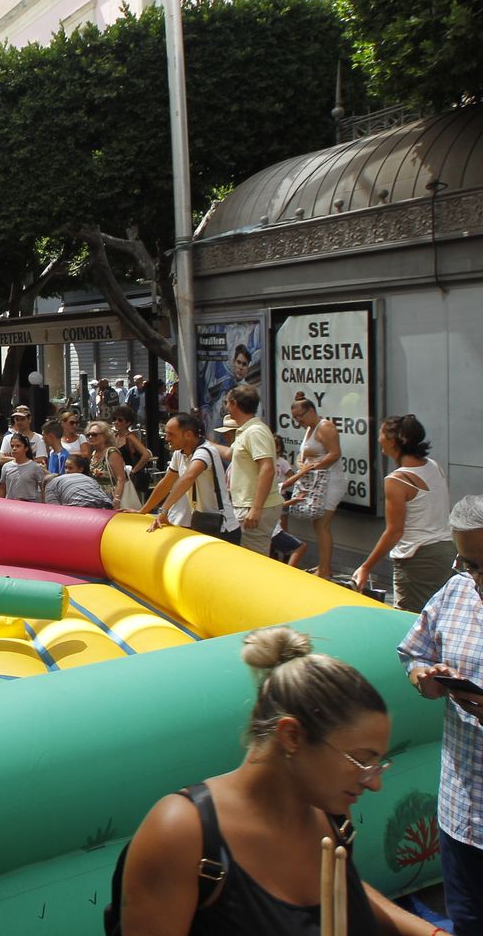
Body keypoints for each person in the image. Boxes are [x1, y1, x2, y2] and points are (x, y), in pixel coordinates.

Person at [115, 626, 427, 934]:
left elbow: (344, 888)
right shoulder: (181, 833)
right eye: (361, 760)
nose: (374, 783)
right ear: (292, 736)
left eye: (377, 764)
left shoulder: (333, 818)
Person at [396, 496, 483, 935]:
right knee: (468, 922)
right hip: (462, 812)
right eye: (468, 563)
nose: (476, 577)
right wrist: (425, 677)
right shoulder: (455, 591)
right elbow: (413, 652)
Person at [353, 414, 454, 609]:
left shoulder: (397, 480)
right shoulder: (433, 466)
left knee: (410, 619)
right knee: (436, 614)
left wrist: (366, 567)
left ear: (393, 441)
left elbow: (394, 532)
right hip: (445, 550)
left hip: (418, 557)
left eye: (382, 432)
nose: (378, 436)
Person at [142, 412, 241, 543]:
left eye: (171, 434)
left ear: (188, 435)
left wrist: (164, 511)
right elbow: (166, 483)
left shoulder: (204, 452)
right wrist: (142, 511)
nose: (166, 438)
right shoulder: (179, 453)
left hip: (223, 528)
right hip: (204, 523)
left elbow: (188, 478)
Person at [281, 393, 347, 580]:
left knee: (322, 525)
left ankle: (325, 570)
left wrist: (312, 467)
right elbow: (306, 455)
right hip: (315, 483)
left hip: (331, 481)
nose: (298, 421)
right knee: (317, 523)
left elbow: (334, 454)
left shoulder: (325, 427)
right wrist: (302, 465)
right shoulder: (310, 429)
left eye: (300, 416)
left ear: (311, 411)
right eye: (295, 418)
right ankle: (323, 566)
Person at [225, 384, 284, 556]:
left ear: (234, 403)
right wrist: (202, 443)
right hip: (249, 504)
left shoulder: (254, 431)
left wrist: (256, 508)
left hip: (255, 506)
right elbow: (229, 453)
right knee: (247, 557)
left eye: (227, 403)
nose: (226, 407)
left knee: (254, 559)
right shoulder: (247, 431)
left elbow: (267, 468)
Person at [110, 407, 153, 512]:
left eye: (120, 420)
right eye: (115, 419)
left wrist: (134, 470)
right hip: (119, 476)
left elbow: (146, 454)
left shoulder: (130, 437)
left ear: (128, 422)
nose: (116, 422)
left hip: (131, 478)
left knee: (130, 504)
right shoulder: (115, 436)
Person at [84, 421, 128, 511]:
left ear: (105, 436)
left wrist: (116, 500)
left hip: (110, 498)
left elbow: (121, 479)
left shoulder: (112, 453)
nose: (90, 437)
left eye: (94, 434)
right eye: (88, 435)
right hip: (96, 498)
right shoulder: (93, 453)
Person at [43, 454, 114, 509]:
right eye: (65, 468)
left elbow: (54, 510)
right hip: (100, 508)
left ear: (80, 469)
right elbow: (105, 500)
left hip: (79, 510)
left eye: (70, 468)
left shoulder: (51, 485)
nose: (67, 471)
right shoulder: (90, 480)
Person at [0, 433, 45, 503]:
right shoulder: (6, 467)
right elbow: (2, 487)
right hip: (11, 505)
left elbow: (42, 488)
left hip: (30, 505)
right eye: (12, 446)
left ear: (26, 448)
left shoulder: (35, 467)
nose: (14, 448)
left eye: (18, 446)